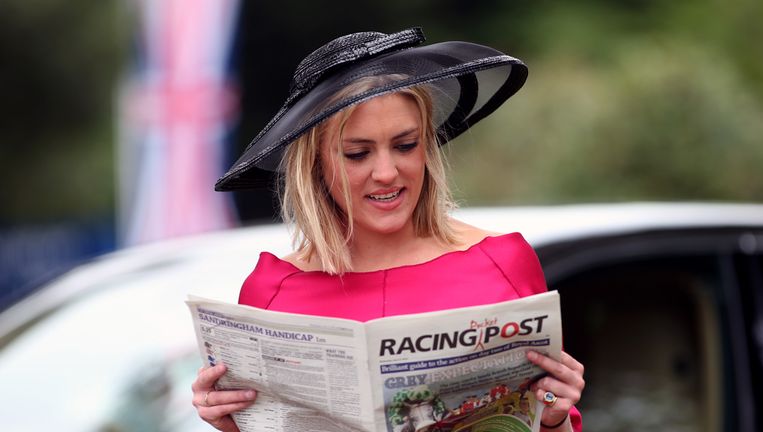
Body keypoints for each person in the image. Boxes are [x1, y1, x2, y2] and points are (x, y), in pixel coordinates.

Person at [191, 27, 585, 432]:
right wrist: (230, 423)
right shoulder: (271, 289)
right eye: (357, 154)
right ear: (316, 166)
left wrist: (553, 417)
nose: (386, 173)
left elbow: (547, 415)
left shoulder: (502, 261)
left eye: (405, 145)